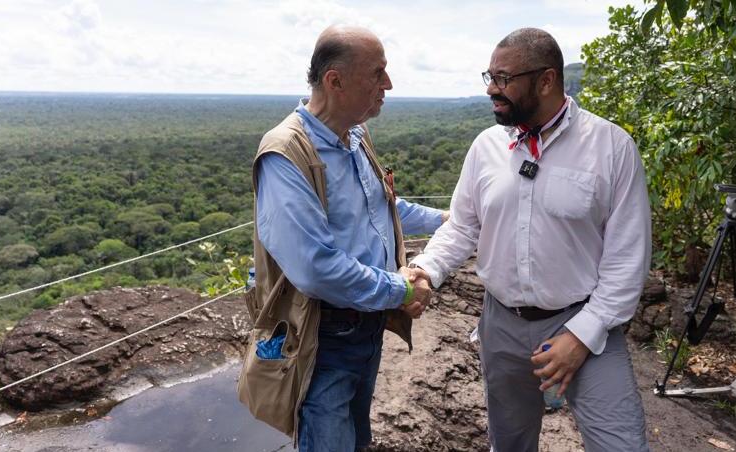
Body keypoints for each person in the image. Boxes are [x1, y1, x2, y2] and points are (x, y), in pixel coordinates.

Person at [409, 28, 652, 451]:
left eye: (503, 78)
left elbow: (627, 259)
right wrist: (427, 268)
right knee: (511, 442)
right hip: (501, 324)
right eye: (489, 76)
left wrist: (580, 337)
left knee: (621, 443)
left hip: (585, 321)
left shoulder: (611, 147)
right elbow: (464, 224)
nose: (491, 89)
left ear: (546, 80)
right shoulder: (487, 146)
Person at [237, 25, 442, 452]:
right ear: (335, 80)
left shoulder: (354, 136)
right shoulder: (285, 153)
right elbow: (315, 267)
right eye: (377, 73)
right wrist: (401, 288)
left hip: (366, 323)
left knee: (354, 437)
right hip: (322, 335)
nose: (388, 84)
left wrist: (449, 219)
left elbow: (383, 209)